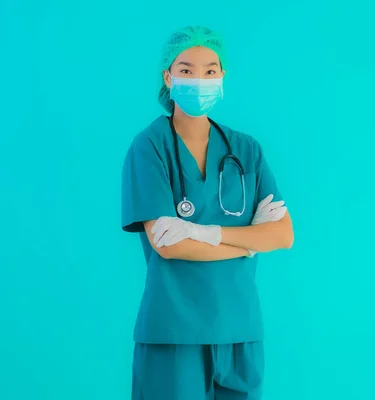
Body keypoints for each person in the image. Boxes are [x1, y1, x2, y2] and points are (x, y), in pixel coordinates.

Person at [121, 26, 294, 400]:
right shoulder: (150, 147)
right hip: (174, 331)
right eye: (186, 69)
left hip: (240, 329)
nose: (199, 79)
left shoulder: (246, 150)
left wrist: (204, 233)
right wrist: (248, 242)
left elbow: (282, 235)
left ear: (223, 77)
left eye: (210, 70)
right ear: (167, 76)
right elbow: (168, 245)